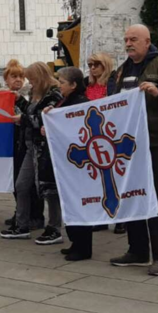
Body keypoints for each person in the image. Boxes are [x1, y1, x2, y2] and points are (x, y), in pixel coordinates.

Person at [106, 25, 158, 276]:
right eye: (126, 39)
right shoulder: (121, 71)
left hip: (156, 142)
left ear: (147, 42)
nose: (128, 43)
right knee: (131, 195)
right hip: (129, 144)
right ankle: (138, 251)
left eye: (133, 39)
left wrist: (157, 92)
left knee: (153, 198)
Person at [1, 62, 62, 241]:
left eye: (32, 78)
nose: (29, 82)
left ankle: (54, 227)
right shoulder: (34, 92)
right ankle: (21, 225)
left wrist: (24, 118)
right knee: (21, 185)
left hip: (46, 147)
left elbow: (46, 118)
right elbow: (31, 112)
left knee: (49, 189)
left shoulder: (54, 93)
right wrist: (19, 100)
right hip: (31, 146)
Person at [50, 67, 93, 260]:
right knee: (69, 202)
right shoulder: (66, 100)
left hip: (79, 164)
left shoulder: (81, 103)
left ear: (74, 85)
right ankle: (75, 241)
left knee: (79, 203)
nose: (59, 85)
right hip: (68, 161)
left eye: (62, 82)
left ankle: (83, 246)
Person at [2, 59, 42, 230]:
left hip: (26, 143)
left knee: (28, 183)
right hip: (10, 142)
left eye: (21, 76)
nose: (18, 80)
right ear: (6, 79)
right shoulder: (2, 96)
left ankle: (34, 215)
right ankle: (20, 211)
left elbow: (30, 115)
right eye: (13, 76)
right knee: (16, 181)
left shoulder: (28, 96)